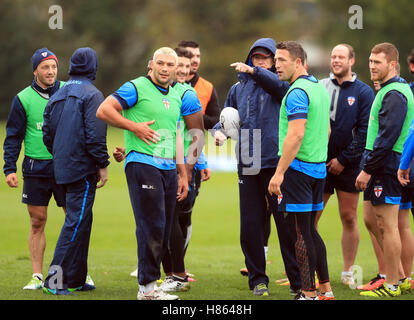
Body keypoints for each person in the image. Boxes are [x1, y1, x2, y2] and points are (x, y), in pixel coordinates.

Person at [96, 47, 188, 300]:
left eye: (170, 64)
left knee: (164, 228)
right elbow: (104, 110)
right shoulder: (135, 87)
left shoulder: (177, 95)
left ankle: (151, 285)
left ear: (176, 69)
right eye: (161, 63)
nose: (165, 68)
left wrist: (182, 173)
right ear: (151, 64)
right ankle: (147, 288)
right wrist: (133, 127)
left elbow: (176, 134)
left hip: (168, 168)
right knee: (152, 225)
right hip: (142, 163)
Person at [214, 38, 300, 297]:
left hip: (275, 161)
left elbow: (278, 89)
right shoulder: (237, 88)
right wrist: (220, 132)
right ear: (250, 57)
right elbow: (228, 116)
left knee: (285, 225)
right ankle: (258, 280)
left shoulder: (282, 84)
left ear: (274, 60)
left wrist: (255, 72)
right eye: (256, 58)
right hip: (248, 161)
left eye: (265, 58)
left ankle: (297, 282)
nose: (260, 61)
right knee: (250, 225)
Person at [268, 40, 334, 300]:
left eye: (281, 60)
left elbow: (295, 135)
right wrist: (316, 156)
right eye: (275, 60)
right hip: (317, 170)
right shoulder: (319, 88)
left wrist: (279, 172)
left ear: (298, 62)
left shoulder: (296, 92)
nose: (276, 65)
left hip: (298, 172)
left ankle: (307, 294)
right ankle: (326, 291)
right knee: (310, 231)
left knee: (301, 234)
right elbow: (327, 130)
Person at [41, 47, 109, 295]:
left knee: (83, 220)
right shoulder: (93, 95)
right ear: (93, 67)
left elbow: (47, 134)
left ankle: (76, 278)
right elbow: (95, 137)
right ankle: (54, 280)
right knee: (76, 221)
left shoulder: (57, 94)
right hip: (82, 170)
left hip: (60, 167)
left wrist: (60, 155)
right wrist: (102, 164)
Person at [2, 48, 66, 290]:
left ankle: (78, 271)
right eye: (45, 67)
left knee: (74, 220)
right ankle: (38, 276)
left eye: (53, 67)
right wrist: (9, 168)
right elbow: (13, 136)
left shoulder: (69, 91)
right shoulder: (23, 98)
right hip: (35, 168)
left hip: (65, 167)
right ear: (35, 70)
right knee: (37, 221)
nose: (50, 72)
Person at [356, 42, 414, 298]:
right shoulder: (389, 89)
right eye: (370, 61)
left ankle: (392, 284)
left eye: (377, 62)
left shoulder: (395, 93)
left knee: (389, 225)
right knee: (372, 219)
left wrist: (368, 169)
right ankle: (400, 276)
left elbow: (388, 136)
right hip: (380, 162)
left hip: (386, 164)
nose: (372, 66)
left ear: (392, 64)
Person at [316, 44, 375, 285]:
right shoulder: (320, 87)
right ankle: (306, 269)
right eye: (333, 56)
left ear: (352, 60)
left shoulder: (363, 92)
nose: (336, 60)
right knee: (311, 218)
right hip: (319, 163)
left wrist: (343, 160)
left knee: (349, 217)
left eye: (341, 57)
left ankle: (348, 271)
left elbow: (364, 133)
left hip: (349, 166)